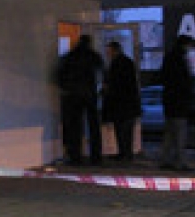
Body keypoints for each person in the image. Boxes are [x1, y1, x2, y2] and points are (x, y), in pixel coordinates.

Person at [57, 34, 105, 165]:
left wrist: (66, 88)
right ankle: (96, 157)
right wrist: (101, 89)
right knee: (94, 127)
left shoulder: (70, 56)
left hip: (73, 96)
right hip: (90, 94)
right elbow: (102, 72)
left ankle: (75, 156)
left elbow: (60, 74)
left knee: (75, 127)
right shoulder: (93, 56)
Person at [102, 41, 141, 162]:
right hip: (127, 102)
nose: (108, 54)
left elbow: (115, 83)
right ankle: (125, 153)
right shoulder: (126, 62)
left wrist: (107, 90)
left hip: (120, 103)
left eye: (109, 51)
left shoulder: (117, 64)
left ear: (115, 50)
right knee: (125, 130)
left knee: (122, 129)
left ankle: (124, 153)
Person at [159, 35, 193, 171]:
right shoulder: (181, 59)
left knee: (169, 133)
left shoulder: (169, 58)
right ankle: (180, 162)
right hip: (180, 103)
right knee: (180, 134)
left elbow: (163, 77)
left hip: (169, 102)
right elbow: (185, 82)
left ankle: (165, 160)